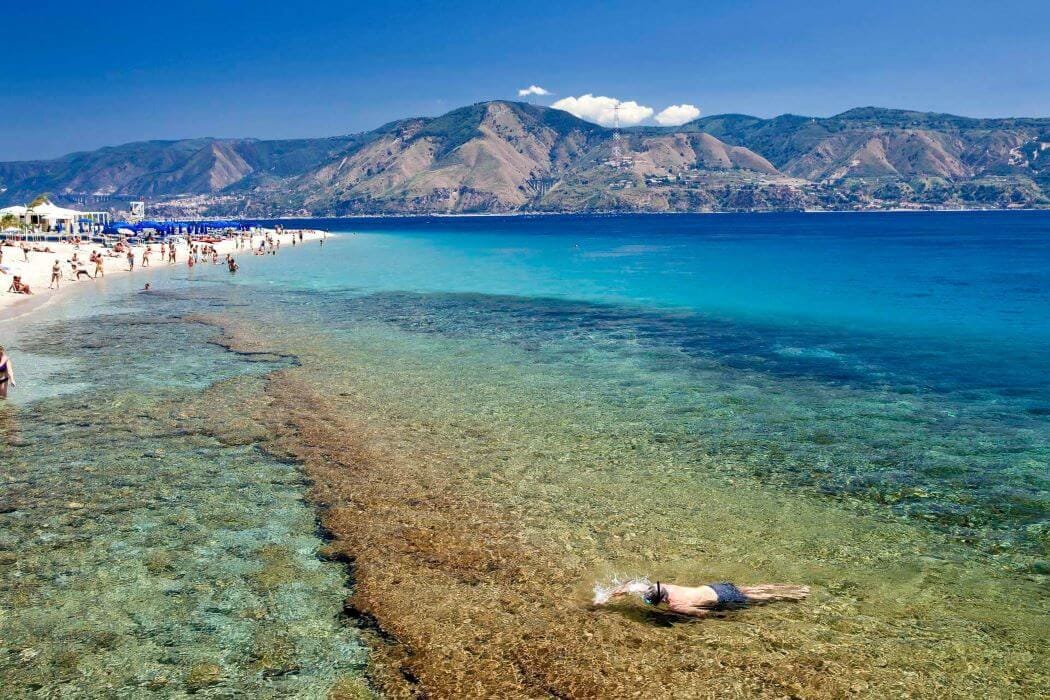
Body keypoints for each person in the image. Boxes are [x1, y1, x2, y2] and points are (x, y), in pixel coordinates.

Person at [598, 579, 809, 618]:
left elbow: (701, 614)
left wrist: (724, 618)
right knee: (755, 589)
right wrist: (606, 597)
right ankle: (795, 589)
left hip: (723, 599)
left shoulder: (676, 605)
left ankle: (793, 595)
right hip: (715, 586)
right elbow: (629, 586)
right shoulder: (660, 587)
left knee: (759, 598)